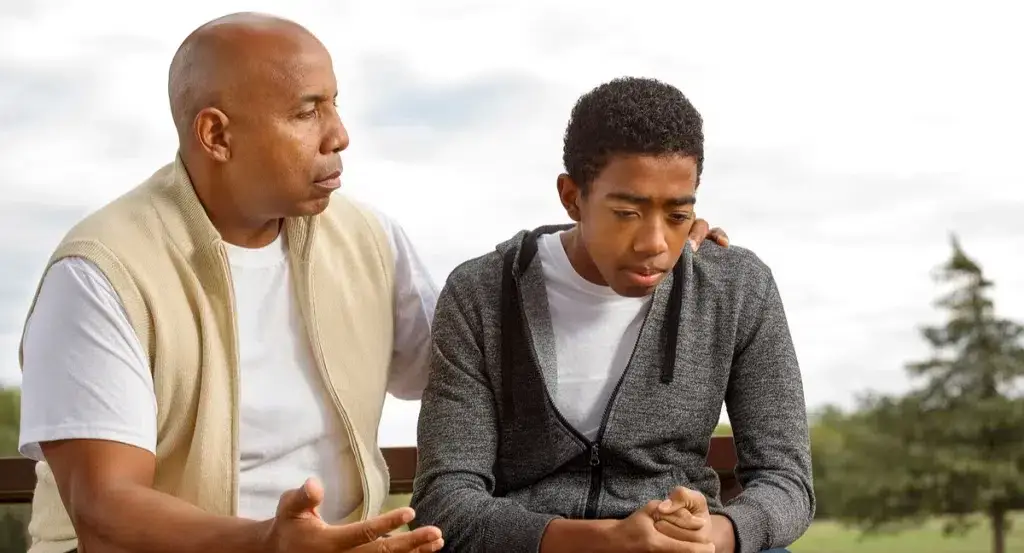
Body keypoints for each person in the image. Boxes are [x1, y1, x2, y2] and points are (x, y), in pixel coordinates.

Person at [15, 13, 730, 553]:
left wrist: (645, 247)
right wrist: (267, 540)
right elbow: (103, 506)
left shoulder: (368, 241)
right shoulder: (101, 271)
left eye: (335, 103)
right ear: (216, 135)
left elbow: (485, 364)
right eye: (307, 112)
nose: (340, 134)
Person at [409, 76, 814, 553]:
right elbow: (445, 500)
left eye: (678, 215)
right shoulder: (481, 295)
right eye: (627, 213)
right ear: (572, 196)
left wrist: (719, 536)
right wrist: (604, 541)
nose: (655, 243)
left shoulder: (736, 289)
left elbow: (786, 480)